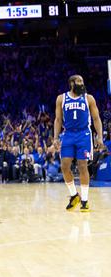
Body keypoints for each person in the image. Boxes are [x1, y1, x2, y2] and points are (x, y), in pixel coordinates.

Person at [55, 75, 104, 212]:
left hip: (84, 134)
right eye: (79, 81)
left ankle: (85, 200)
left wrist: (99, 137)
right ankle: (74, 195)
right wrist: (55, 138)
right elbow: (58, 120)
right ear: (71, 83)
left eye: (83, 81)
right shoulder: (61, 98)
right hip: (68, 134)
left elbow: (96, 118)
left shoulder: (89, 98)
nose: (82, 84)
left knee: (82, 165)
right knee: (64, 166)